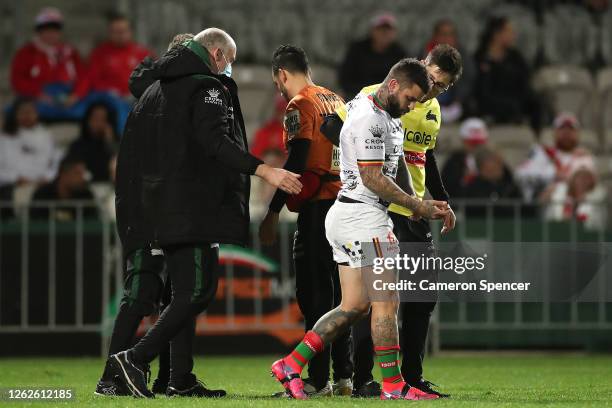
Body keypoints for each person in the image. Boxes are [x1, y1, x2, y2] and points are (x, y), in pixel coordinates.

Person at [104, 28, 301, 398]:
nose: (230, 69)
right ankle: (133, 360)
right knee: (194, 291)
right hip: (191, 207)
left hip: (157, 207)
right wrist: (265, 169)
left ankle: (175, 378)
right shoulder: (206, 87)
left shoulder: (151, 91)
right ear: (215, 54)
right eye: (229, 60)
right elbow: (214, 142)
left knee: (176, 294)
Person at [270, 58, 450, 400]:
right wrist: (417, 207)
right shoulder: (368, 118)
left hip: (352, 215)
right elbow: (371, 176)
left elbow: (392, 169)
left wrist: (416, 202)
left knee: (353, 306)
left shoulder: (385, 116)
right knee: (387, 303)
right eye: (411, 98)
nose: (413, 106)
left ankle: (291, 364)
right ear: (393, 85)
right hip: (364, 218)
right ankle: (395, 387)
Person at [321, 44, 462, 398]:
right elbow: (330, 126)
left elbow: (423, 158)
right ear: (421, 66)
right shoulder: (378, 95)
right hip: (380, 210)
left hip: (414, 211)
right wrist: (354, 171)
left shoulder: (431, 110)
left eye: (442, 86)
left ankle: (412, 377)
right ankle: (365, 379)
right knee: (374, 300)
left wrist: (439, 200)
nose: (433, 88)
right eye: (431, 78)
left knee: (420, 297)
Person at [258, 45, 353, 397]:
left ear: (282, 74)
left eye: (277, 82)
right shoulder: (336, 99)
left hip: (317, 208)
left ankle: (316, 379)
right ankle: (345, 377)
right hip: (344, 205)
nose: (279, 89)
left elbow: (298, 160)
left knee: (314, 297)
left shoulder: (300, 104)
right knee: (343, 296)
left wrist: (272, 211)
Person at [68, 13, 153, 132]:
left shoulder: (142, 53)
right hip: (109, 97)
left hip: (135, 96)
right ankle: (123, 139)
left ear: (130, 32)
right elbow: (91, 78)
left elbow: (154, 78)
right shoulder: (100, 54)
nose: (120, 35)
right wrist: (77, 95)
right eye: (115, 32)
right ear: (109, 32)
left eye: (123, 31)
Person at [10, 7, 84, 122]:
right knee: (21, 108)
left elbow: (83, 76)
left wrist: (75, 95)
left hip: (68, 94)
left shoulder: (70, 51)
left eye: (55, 29)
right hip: (39, 96)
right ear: (39, 31)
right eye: (47, 29)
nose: (51, 34)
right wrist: (38, 94)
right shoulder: (26, 52)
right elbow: (17, 80)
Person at [473, 16, 542, 132]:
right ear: (496, 34)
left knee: (536, 102)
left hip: (514, 102)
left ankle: (536, 139)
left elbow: (525, 83)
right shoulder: (480, 57)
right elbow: (479, 88)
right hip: (489, 102)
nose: (513, 35)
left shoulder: (516, 57)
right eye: (509, 31)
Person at [516, 112, 595, 203]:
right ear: (554, 132)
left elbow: (591, 184)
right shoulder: (541, 152)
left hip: (577, 204)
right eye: (562, 129)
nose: (567, 133)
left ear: (578, 134)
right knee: (558, 192)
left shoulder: (584, 157)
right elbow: (520, 175)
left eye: (571, 129)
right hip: (544, 204)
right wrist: (552, 175)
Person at [338, 12, 406, 99]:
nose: (384, 33)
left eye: (388, 30)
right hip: (357, 94)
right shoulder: (357, 49)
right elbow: (345, 77)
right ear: (372, 31)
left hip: (386, 97)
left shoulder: (400, 53)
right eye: (380, 29)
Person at [423, 19, 474, 123]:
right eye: (442, 34)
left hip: (455, 104)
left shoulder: (463, 57)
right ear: (435, 36)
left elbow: (468, 80)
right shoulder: (423, 54)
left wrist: (458, 101)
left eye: (450, 34)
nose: (446, 38)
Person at [0, 98, 58, 188]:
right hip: (11, 185)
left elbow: (55, 161)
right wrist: (15, 178)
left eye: (30, 112)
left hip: (42, 185)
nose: (27, 116)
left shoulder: (46, 135)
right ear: (15, 115)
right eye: (23, 112)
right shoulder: (4, 137)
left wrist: (48, 177)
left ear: (37, 114)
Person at [29, 155, 97, 221]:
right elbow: (36, 223)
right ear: (63, 174)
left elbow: (91, 222)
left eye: (83, 173)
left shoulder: (86, 196)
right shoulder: (42, 195)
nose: (82, 178)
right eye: (77, 173)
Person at [441, 117, 494, 198]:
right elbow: (445, 188)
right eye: (472, 144)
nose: (476, 148)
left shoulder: (494, 159)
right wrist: (464, 180)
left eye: (479, 143)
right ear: (463, 141)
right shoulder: (454, 162)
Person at [463, 147, 522, 217]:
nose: (500, 165)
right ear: (483, 166)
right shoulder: (474, 188)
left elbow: (524, 209)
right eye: (494, 161)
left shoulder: (510, 185)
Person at [66, 103, 117, 182]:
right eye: (95, 119)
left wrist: (109, 142)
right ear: (88, 121)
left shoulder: (114, 143)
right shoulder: (78, 145)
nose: (98, 123)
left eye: (103, 120)